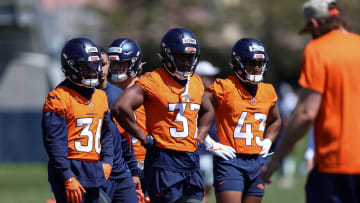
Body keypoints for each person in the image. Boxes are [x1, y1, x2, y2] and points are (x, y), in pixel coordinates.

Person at [261, 0, 360, 202]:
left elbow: (306, 113)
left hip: (336, 163)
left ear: (314, 23)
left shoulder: (318, 49)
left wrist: (276, 160)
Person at [111, 27, 215, 203]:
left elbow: (208, 110)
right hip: (164, 160)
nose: (186, 62)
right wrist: (143, 136)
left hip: (190, 158)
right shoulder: (154, 80)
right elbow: (121, 107)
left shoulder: (195, 81)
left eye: (189, 57)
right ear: (168, 55)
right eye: (181, 56)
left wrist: (201, 135)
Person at [205, 38, 281, 203]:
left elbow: (275, 121)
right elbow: (193, 109)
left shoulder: (268, 91)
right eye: (251, 63)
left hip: (257, 161)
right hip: (230, 160)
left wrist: (268, 141)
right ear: (237, 64)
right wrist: (208, 141)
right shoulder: (224, 87)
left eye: (260, 63)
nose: (256, 67)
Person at [42, 38, 113, 203]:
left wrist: (108, 160)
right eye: (85, 67)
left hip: (93, 169)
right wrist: (67, 176)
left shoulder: (100, 96)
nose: (92, 72)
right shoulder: (58, 97)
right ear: (71, 67)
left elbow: (107, 132)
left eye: (94, 66)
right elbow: (54, 143)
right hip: (71, 168)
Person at [105, 38, 150, 203]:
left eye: (121, 64)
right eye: (113, 64)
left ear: (133, 64)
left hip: (144, 162)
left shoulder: (147, 89)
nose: (116, 68)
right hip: (118, 163)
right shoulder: (105, 92)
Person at [97, 47, 140, 203]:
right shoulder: (83, 96)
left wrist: (134, 171)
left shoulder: (118, 95)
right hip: (96, 171)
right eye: (96, 64)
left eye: (104, 64)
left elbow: (125, 138)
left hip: (120, 170)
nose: (100, 69)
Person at [195, 60, 220, 203]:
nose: (211, 80)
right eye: (207, 76)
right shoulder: (192, 97)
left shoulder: (214, 96)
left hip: (212, 152)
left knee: (207, 192)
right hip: (198, 152)